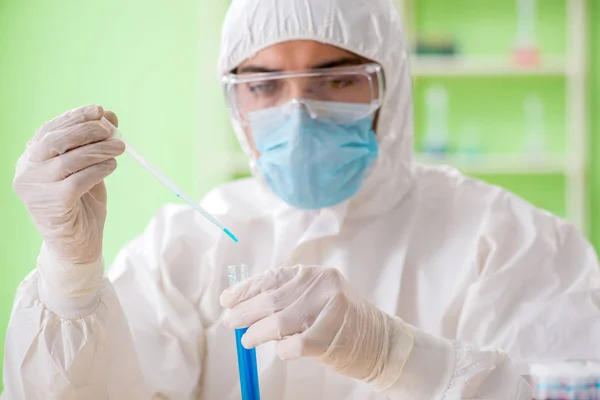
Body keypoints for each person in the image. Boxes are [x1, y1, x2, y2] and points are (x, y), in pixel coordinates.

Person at [3, 0, 600, 398]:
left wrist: (401, 356)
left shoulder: (513, 241)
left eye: (337, 79)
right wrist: (70, 275)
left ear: (389, 82)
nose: (299, 110)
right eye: (262, 84)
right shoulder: (185, 242)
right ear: (234, 102)